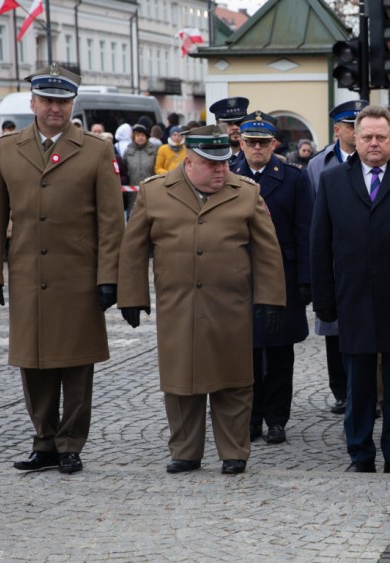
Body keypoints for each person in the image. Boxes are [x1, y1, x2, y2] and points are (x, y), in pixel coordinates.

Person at [0, 64, 125, 475]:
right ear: (33, 103)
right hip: (28, 274)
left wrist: (109, 277)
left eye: (62, 101)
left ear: (72, 104)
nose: (54, 108)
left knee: (77, 363)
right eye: (47, 100)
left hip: (78, 276)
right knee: (34, 361)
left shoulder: (95, 150)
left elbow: (111, 221)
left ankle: (70, 444)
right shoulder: (8, 148)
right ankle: (44, 440)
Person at [117, 125, 285, 475]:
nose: (221, 170)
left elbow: (268, 250)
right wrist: (131, 296)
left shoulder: (246, 192)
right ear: (189, 161)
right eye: (211, 163)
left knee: (234, 380)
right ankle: (185, 451)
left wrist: (271, 298)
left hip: (230, 307)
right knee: (181, 381)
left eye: (223, 162)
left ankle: (234, 451)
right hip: (178, 305)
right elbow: (133, 248)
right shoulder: (155, 192)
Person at [311, 104, 390, 474]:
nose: (374, 143)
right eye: (367, 137)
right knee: (358, 381)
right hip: (353, 296)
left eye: (381, 137)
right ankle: (360, 453)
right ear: (354, 139)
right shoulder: (332, 180)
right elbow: (320, 243)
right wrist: (324, 301)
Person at [237, 111, 314, 445]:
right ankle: (251, 417)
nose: (257, 148)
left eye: (263, 143)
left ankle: (277, 419)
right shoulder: (230, 174)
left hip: (283, 274)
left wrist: (306, 279)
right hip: (241, 276)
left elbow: (305, 230)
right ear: (241, 144)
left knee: (280, 352)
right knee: (247, 351)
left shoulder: (294, 178)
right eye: (251, 142)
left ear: (273, 145)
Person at [306, 99, 369, 415]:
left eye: (360, 126)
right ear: (337, 130)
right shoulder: (319, 164)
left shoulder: (375, 161)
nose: (355, 131)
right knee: (333, 330)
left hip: (364, 256)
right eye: (349, 126)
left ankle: (367, 390)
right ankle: (341, 390)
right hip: (331, 258)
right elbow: (312, 217)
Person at [123, 123, 157, 217]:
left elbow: (156, 168)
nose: (140, 137)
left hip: (150, 190)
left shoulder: (153, 151)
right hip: (132, 190)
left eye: (142, 135)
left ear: (146, 137)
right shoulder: (128, 151)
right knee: (132, 217)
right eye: (138, 135)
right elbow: (124, 169)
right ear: (134, 137)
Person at [208, 96, 249, 173]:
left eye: (239, 123)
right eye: (229, 123)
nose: (235, 127)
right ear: (218, 125)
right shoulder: (211, 156)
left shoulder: (254, 156)